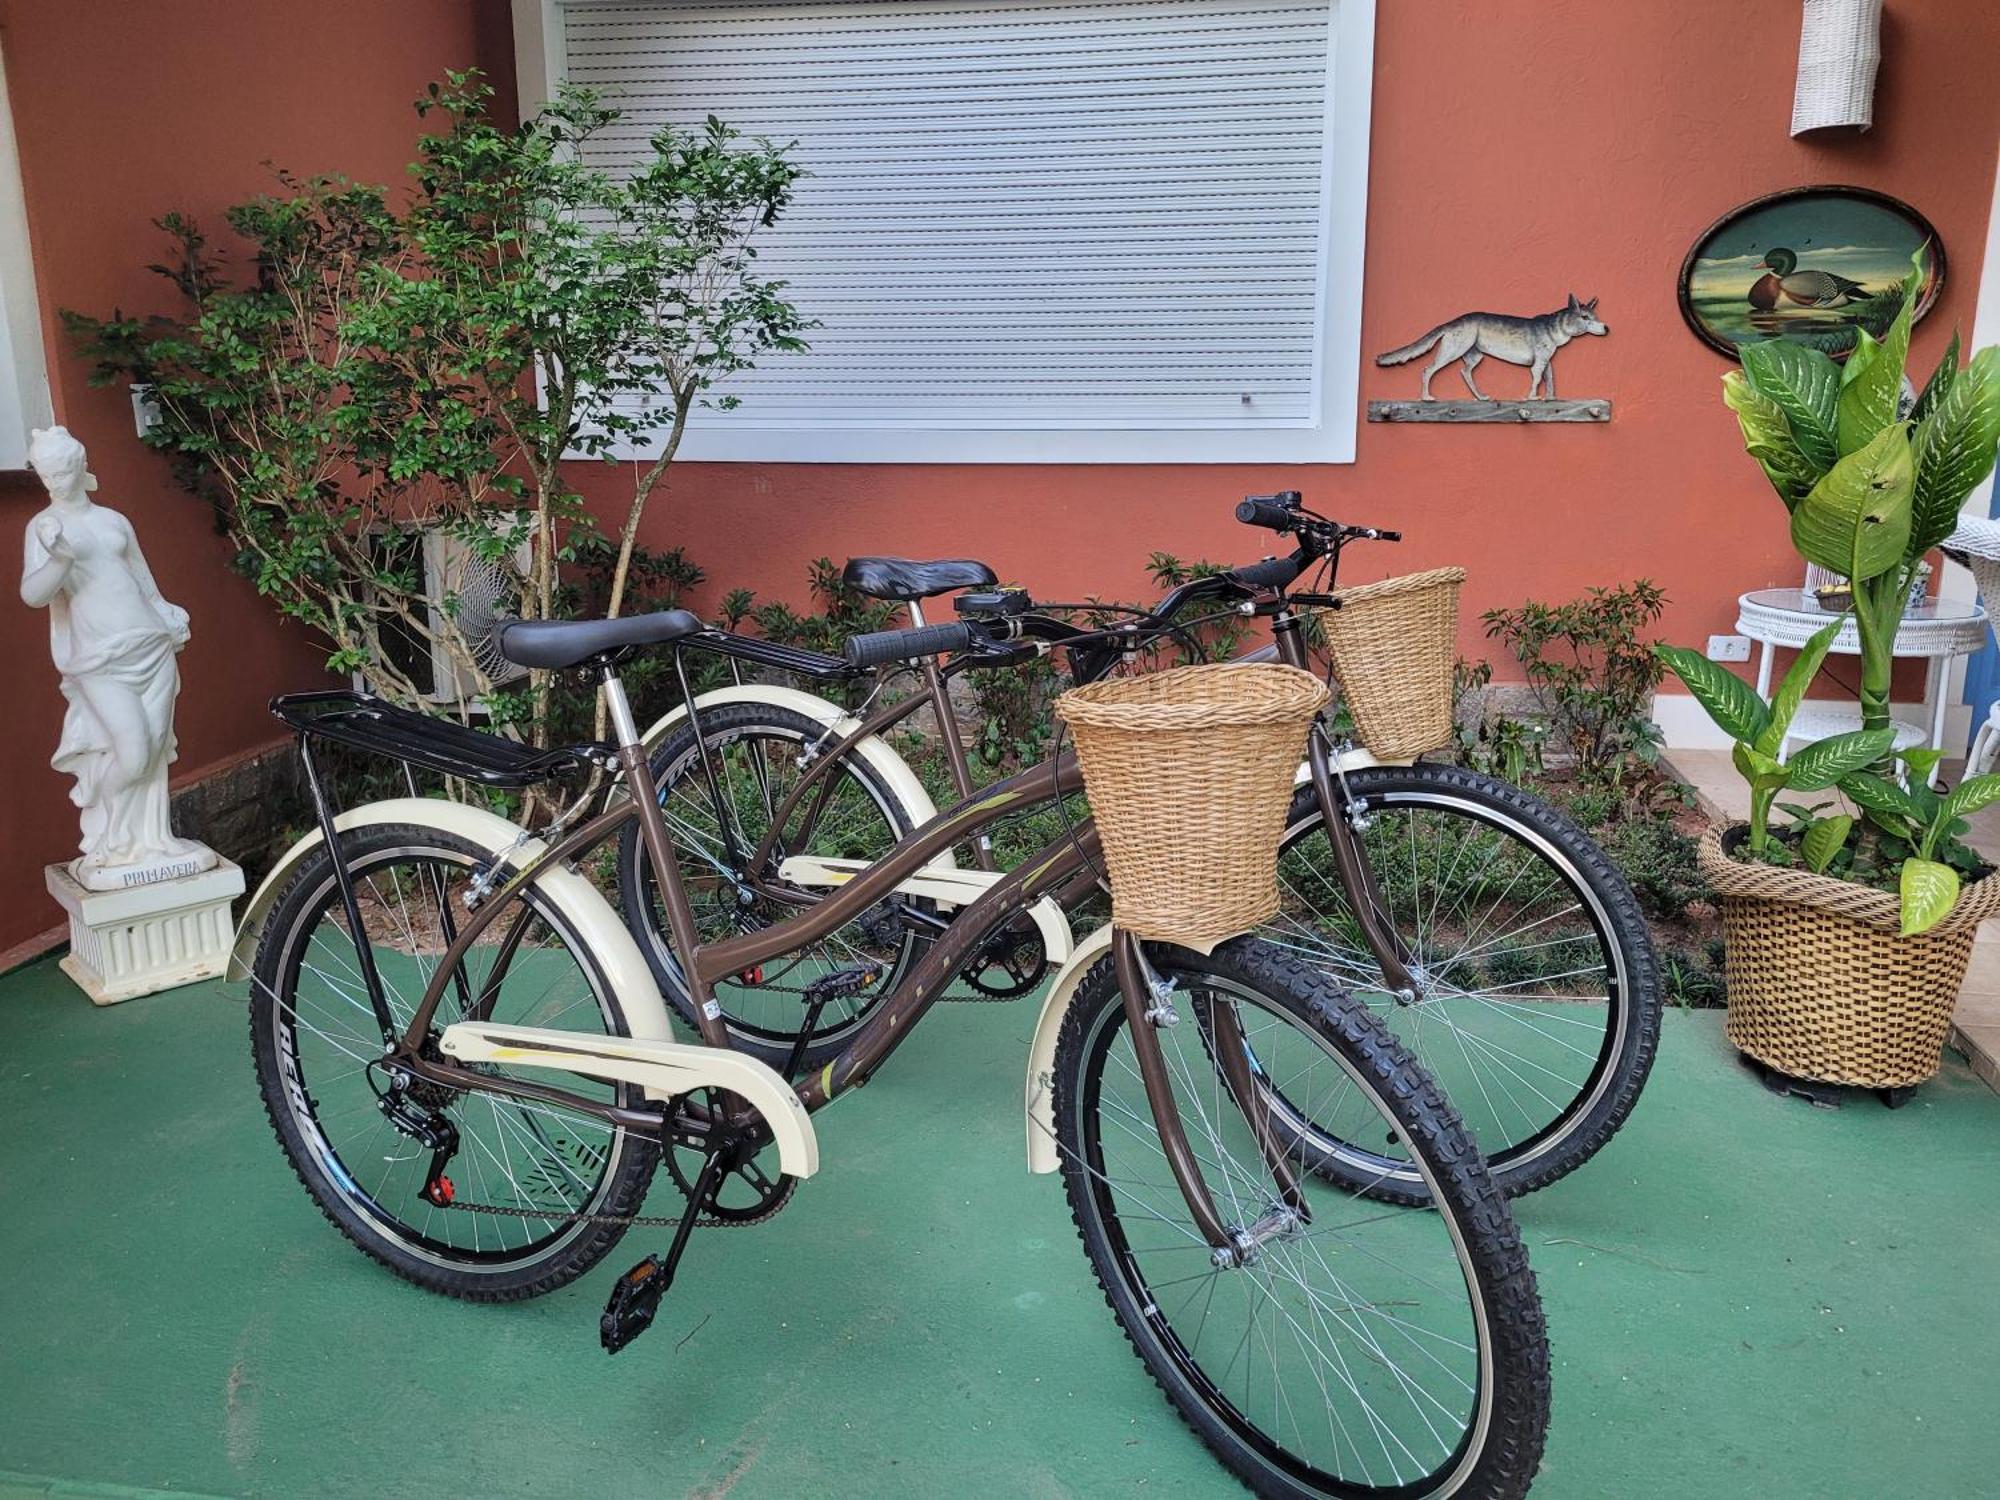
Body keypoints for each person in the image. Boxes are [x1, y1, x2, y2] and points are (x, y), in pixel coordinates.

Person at [19, 425, 214, 888]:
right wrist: (61, 560)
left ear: (81, 465)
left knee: (153, 752)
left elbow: (143, 579)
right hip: (99, 659)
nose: (57, 480)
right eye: (48, 473)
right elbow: (33, 594)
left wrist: (167, 612)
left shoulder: (114, 520)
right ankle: (107, 834)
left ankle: (150, 840)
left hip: (150, 645)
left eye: (64, 469)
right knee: (133, 751)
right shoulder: (43, 528)